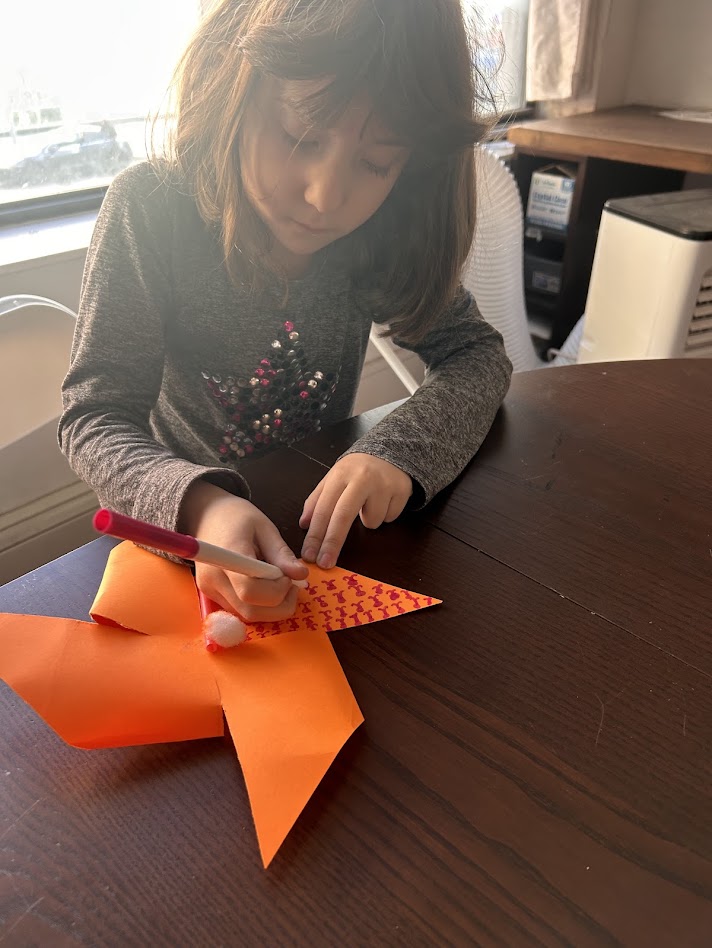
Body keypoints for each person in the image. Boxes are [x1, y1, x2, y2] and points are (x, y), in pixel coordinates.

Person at [59, 0, 513, 625]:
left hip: (326, 557)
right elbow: (95, 414)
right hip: (180, 556)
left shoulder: (375, 235)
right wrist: (200, 505)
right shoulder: (151, 210)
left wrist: (398, 453)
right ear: (231, 80)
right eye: (299, 137)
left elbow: (477, 354)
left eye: (377, 162)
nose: (325, 197)